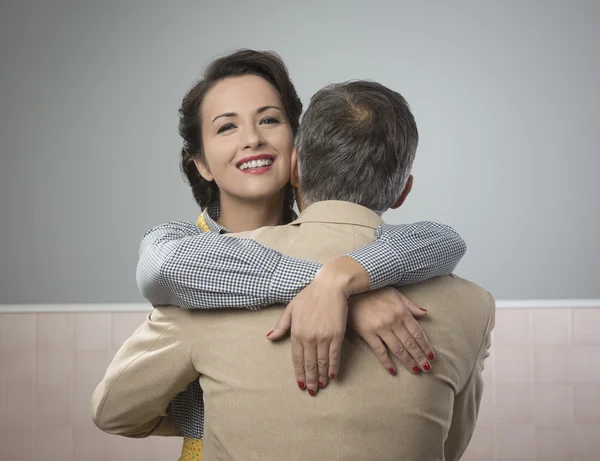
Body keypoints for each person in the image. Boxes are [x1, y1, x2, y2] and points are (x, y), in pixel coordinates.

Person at [92, 78, 494, 460]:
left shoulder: (203, 308)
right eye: (226, 126)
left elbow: (444, 239)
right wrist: (332, 289)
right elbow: (447, 445)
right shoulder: (196, 266)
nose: (252, 138)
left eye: (269, 119)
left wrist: (344, 280)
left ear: (294, 160)